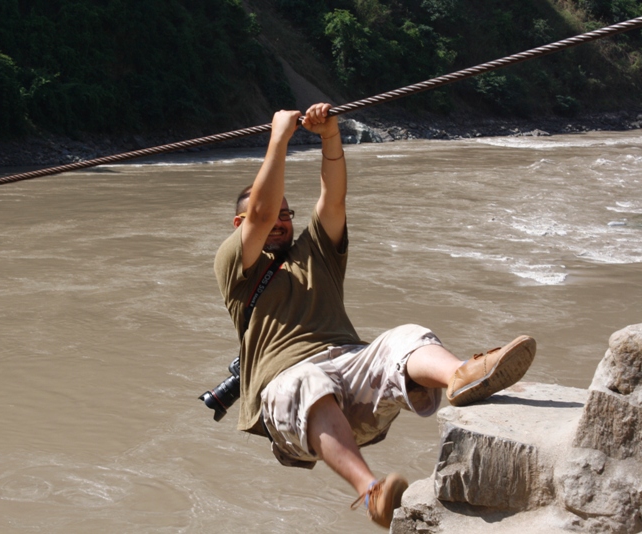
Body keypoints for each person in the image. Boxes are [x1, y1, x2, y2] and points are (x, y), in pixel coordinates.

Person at [213, 103, 536, 528]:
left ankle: (462, 375)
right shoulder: (235, 263)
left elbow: (334, 197)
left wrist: (330, 135)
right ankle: (372, 492)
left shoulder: (317, 252)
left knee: (406, 336)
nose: (280, 220)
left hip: (351, 376)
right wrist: (279, 138)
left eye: (287, 214)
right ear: (239, 224)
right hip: (287, 397)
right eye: (274, 213)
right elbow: (259, 212)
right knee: (307, 381)